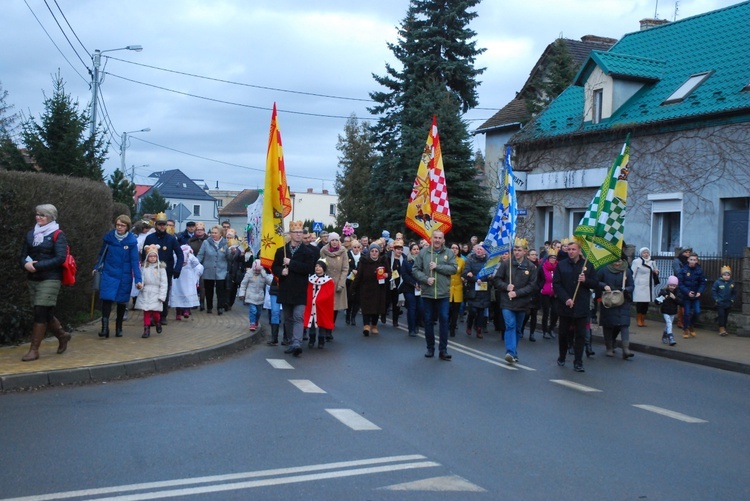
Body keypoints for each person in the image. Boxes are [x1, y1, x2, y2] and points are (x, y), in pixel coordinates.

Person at [19, 204, 72, 361]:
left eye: (42, 215)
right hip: (33, 278)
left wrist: (37, 266)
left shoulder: (58, 235)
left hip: (51, 278)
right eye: (37, 214)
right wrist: (25, 264)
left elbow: (60, 258)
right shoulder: (31, 234)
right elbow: (23, 255)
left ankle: (34, 350)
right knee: (45, 312)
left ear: (50, 217)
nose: (38, 217)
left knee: (40, 311)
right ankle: (62, 336)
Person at [272, 220, 317, 356]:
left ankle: (297, 342)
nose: (298, 235)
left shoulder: (307, 252)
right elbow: (275, 267)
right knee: (288, 317)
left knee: (298, 316)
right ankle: (291, 341)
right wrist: (281, 271)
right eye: (296, 232)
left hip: (300, 289)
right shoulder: (282, 251)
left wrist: (291, 263)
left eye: (300, 232)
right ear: (290, 234)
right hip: (286, 288)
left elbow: (309, 268)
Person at [411, 230, 457, 361]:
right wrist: (425, 279)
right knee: (428, 320)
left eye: (440, 238)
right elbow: (415, 269)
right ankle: (430, 348)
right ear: (431, 239)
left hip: (443, 293)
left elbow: (454, 269)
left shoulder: (449, 253)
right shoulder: (424, 253)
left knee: (444, 319)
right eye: (435, 237)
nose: (437, 240)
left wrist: (438, 267)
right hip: (428, 293)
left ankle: (443, 350)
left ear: (443, 240)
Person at [553, 239, 598, 372]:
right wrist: (565, 298)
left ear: (579, 250)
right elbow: (557, 284)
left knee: (580, 335)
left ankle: (578, 361)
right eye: (569, 249)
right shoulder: (561, 265)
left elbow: (595, 283)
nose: (571, 252)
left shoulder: (587, 265)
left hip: (581, 306)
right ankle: (562, 356)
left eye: (573, 249)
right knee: (563, 333)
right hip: (565, 306)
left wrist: (586, 280)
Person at [95, 215, 143, 338]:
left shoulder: (131, 242)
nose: (119, 227)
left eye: (122, 225)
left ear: (127, 227)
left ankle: (119, 326)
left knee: (121, 302)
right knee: (106, 299)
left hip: (124, 275)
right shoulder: (109, 239)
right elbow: (102, 255)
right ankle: (104, 328)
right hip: (109, 273)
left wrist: (138, 279)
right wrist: (96, 268)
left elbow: (134, 262)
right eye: (118, 225)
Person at [494, 238, 537, 364]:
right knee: (510, 325)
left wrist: (517, 293)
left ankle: (514, 351)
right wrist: (506, 286)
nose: (517, 252)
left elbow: (531, 286)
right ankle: (510, 352)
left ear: (525, 251)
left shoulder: (531, 267)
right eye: (515, 250)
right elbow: (497, 279)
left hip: (522, 303)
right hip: (507, 302)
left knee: (518, 329)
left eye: (519, 250)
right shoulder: (507, 264)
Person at [142, 212, 183, 325]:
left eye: (163, 224)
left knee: (163, 292)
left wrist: (178, 268)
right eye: (159, 224)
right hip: (151, 270)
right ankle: (150, 314)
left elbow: (180, 254)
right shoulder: (150, 238)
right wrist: (143, 267)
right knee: (150, 292)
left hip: (166, 270)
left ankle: (163, 315)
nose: (162, 226)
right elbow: (143, 254)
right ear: (156, 225)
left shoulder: (171, 239)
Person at [597, 254, 635, 359]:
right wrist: (604, 286)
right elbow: (596, 281)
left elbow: (632, 285)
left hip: (623, 300)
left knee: (624, 324)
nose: (617, 263)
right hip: (608, 301)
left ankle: (626, 349)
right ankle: (609, 348)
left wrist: (627, 289)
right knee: (608, 324)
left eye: (620, 261)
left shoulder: (627, 271)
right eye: (615, 261)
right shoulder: (604, 269)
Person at [353, 243, 390, 336]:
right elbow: (359, 275)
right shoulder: (364, 261)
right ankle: (366, 325)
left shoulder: (383, 261)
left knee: (377, 308)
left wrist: (387, 275)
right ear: (369, 252)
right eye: (372, 251)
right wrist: (353, 287)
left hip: (379, 288)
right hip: (366, 288)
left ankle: (374, 325)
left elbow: (389, 272)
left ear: (379, 252)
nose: (374, 253)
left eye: (376, 251)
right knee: (366, 307)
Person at [197, 225, 232, 315]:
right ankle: (209, 307)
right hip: (208, 269)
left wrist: (231, 251)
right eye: (212, 232)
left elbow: (229, 258)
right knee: (209, 289)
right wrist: (196, 264)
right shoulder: (206, 242)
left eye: (215, 233)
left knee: (220, 289)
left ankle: (220, 307)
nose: (213, 234)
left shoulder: (226, 243)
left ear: (220, 234)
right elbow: (201, 254)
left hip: (221, 270)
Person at [136, 245, 168, 338]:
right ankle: (146, 329)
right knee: (146, 311)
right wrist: (140, 286)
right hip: (146, 292)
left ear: (157, 257)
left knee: (155, 312)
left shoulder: (161, 268)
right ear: (147, 257)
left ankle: (158, 322)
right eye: (150, 256)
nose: (152, 258)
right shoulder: (144, 267)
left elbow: (164, 283)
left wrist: (162, 296)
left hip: (156, 292)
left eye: (154, 256)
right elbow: (141, 279)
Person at [319, 231, 349, 330]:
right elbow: (321, 266)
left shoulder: (343, 251)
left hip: (338, 282)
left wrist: (341, 283)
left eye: (336, 240)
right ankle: (325, 325)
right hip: (326, 281)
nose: (335, 242)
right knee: (327, 306)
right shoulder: (323, 251)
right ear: (329, 241)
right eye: (332, 240)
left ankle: (331, 325)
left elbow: (345, 268)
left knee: (335, 307)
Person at [304, 259, 336, 349]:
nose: (317, 268)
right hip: (311, 305)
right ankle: (312, 339)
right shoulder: (311, 279)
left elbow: (328, 294)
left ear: (324, 268)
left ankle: (321, 340)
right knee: (312, 323)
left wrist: (319, 300)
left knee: (321, 322)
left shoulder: (328, 281)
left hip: (322, 306)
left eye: (320, 266)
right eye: (316, 266)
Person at [463, 244, 490, 338]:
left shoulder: (488, 261)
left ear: (485, 251)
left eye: (481, 249)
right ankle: (469, 324)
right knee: (473, 310)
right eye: (478, 249)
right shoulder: (470, 260)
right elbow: (465, 273)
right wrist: (475, 279)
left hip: (484, 290)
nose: (479, 251)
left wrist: (487, 278)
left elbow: (490, 273)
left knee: (481, 311)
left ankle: (479, 329)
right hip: (473, 290)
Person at [677, 252, 707, 338]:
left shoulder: (699, 270)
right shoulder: (683, 270)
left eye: (694, 260)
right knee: (686, 313)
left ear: (697, 261)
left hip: (696, 296)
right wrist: (687, 292)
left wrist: (699, 292)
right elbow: (680, 283)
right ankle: (685, 329)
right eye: (691, 259)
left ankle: (691, 325)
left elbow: (702, 283)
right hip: (686, 296)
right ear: (688, 260)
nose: (692, 261)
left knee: (697, 312)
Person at [170, 244, 203, 320]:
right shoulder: (189, 256)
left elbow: (197, 265)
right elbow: (197, 264)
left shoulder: (177, 256)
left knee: (182, 294)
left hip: (181, 278)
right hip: (184, 278)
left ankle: (181, 312)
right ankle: (183, 311)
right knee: (185, 294)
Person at [239, 259, 271, 332]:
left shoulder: (263, 275)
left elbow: (270, 282)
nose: (257, 272)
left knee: (258, 312)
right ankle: (252, 323)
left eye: (258, 270)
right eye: (256, 270)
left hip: (260, 296)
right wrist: (242, 294)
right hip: (251, 296)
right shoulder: (249, 274)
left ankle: (256, 321)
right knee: (253, 310)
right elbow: (243, 284)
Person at [631, 247, 659, 327]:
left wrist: (656, 271)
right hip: (640, 285)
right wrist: (632, 283)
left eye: (647, 252)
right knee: (640, 302)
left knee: (646, 303)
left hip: (649, 285)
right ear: (641, 254)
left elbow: (655, 269)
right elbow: (633, 273)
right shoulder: (636, 262)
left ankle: (643, 319)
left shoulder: (652, 261)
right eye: (644, 253)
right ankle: (639, 319)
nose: (646, 254)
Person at [401, 242, 423, 337]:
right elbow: (405, 275)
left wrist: (421, 283)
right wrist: (414, 284)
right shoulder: (406, 261)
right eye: (414, 249)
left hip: (421, 288)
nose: (416, 251)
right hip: (409, 288)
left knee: (421, 308)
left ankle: (417, 323)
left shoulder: (423, 261)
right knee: (412, 308)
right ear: (410, 251)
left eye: (417, 249)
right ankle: (411, 328)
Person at [655, 275, 681, 346]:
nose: (672, 287)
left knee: (668, 324)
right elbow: (657, 301)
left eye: (674, 286)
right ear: (668, 285)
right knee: (669, 323)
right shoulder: (663, 292)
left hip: (673, 311)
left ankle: (664, 334)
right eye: (671, 285)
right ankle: (671, 337)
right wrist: (661, 299)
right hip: (665, 310)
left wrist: (674, 298)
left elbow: (680, 302)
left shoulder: (677, 292)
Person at [522, 248, 541, 341]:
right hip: (527, 292)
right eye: (532, 254)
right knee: (526, 313)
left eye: (535, 254)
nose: (535, 256)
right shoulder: (525, 265)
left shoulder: (539, 266)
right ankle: (521, 328)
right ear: (528, 256)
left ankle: (532, 333)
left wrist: (539, 287)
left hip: (536, 292)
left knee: (534, 313)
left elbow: (542, 278)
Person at [188, 222, 209, 311]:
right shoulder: (191, 241)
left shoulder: (208, 240)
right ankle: (194, 301)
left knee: (202, 285)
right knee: (194, 284)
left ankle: (202, 302)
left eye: (201, 230)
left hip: (205, 264)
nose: (199, 232)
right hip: (194, 264)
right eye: (198, 230)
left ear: (204, 231)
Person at [387, 238, 406, 327]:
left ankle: (395, 320)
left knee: (397, 302)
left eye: (401, 249)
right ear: (394, 249)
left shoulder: (404, 258)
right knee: (387, 301)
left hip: (399, 283)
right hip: (389, 282)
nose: (399, 251)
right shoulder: (388, 257)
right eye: (397, 249)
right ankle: (383, 314)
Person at [712, 266, 736, 336]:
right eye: (724, 275)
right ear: (722, 275)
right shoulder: (717, 282)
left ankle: (724, 328)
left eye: (728, 275)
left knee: (725, 316)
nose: (726, 277)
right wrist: (716, 299)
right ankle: (721, 328)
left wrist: (732, 300)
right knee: (721, 315)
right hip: (720, 303)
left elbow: (734, 293)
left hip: (728, 303)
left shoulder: (732, 283)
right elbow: (714, 291)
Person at [538, 253, 558, 339]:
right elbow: (538, 279)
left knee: (555, 311)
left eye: (554, 258)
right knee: (546, 312)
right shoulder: (543, 267)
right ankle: (544, 330)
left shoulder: (558, 268)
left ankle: (551, 328)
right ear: (548, 258)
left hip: (555, 293)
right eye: (551, 258)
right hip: (545, 292)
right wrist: (540, 288)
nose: (553, 259)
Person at [448, 242, 466, 337]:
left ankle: (453, 327)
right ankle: (447, 324)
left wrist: (464, 277)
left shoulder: (462, 261)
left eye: (456, 248)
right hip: (447, 287)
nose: (454, 250)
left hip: (458, 288)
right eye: (452, 248)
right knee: (448, 310)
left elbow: (464, 272)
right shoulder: (445, 259)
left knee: (456, 310)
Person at [672, 246, 691, 328]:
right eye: (686, 252)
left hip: (689, 283)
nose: (688, 254)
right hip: (680, 283)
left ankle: (685, 320)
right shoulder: (677, 261)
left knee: (687, 302)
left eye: (689, 252)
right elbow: (678, 272)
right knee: (681, 302)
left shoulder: (690, 261)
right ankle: (680, 321)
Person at [345, 239, 363, 326]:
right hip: (349, 279)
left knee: (357, 300)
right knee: (350, 299)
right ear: (352, 248)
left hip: (359, 280)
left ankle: (353, 317)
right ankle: (348, 315)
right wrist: (352, 270)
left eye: (358, 247)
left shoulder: (363, 256)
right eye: (354, 247)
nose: (356, 249)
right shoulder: (347, 255)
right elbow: (345, 266)